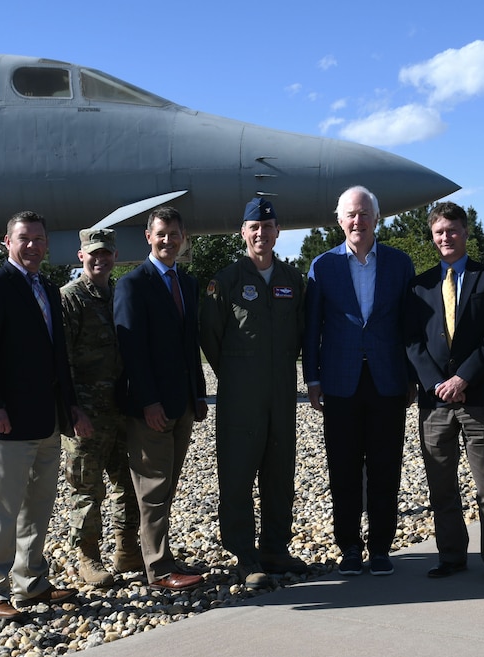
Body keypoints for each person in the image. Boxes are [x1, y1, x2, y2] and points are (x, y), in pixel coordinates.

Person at [0, 210, 93, 621]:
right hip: (4, 424)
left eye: (40, 239)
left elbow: (59, 359)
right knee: (2, 510)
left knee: (37, 508)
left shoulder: (49, 291)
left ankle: (31, 583)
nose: (34, 246)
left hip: (46, 421)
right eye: (25, 239)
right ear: (8, 242)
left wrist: (71, 407)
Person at [304, 185, 415, 577]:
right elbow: (311, 328)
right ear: (339, 220)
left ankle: (381, 547)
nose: (358, 220)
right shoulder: (322, 267)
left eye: (365, 213)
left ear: (376, 219)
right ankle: (350, 546)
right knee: (344, 469)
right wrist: (312, 379)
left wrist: (411, 378)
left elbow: (409, 326)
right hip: (340, 382)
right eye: (351, 214)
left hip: (387, 381)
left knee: (386, 467)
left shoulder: (400, 264)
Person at [199, 198, 308, 589]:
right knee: (238, 474)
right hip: (240, 396)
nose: (261, 233)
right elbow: (209, 336)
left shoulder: (293, 281)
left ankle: (276, 547)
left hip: (281, 394)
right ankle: (245, 555)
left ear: (278, 232)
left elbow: (302, 332)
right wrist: (237, 374)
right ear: (243, 232)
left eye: (268, 226)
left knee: (280, 473)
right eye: (254, 227)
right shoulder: (225, 281)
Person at [406, 202, 484, 584]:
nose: (446, 237)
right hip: (435, 403)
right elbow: (412, 342)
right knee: (441, 486)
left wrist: (462, 379)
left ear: (466, 233)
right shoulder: (419, 286)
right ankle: (451, 555)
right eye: (439, 232)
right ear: (432, 237)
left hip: (480, 397)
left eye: (453, 230)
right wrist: (437, 383)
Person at [114, 207, 208, 591]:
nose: (168, 240)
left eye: (174, 233)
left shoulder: (187, 283)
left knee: (167, 485)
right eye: (161, 234)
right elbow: (131, 349)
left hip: (183, 402)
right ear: (147, 237)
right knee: (152, 488)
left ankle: (159, 553)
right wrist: (149, 401)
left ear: (183, 237)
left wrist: (199, 394)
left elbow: (190, 346)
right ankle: (158, 568)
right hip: (151, 407)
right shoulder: (132, 284)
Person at [60, 228, 143, 587]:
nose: (100, 259)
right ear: (81, 256)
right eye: (93, 253)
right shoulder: (71, 298)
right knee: (87, 487)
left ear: (115, 256)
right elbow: (60, 361)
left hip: (121, 408)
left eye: (106, 253)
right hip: (86, 415)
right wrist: (71, 409)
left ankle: (126, 549)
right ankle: (87, 556)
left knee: (128, 482)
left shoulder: (120, 294)